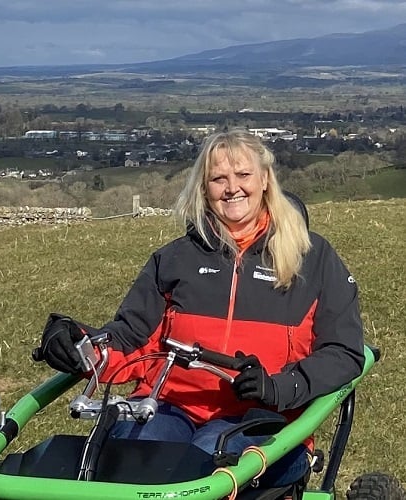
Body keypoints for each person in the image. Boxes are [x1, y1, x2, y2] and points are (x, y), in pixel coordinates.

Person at [39, 128, 365, 488]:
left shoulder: (314, 258)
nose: (232, 188)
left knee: (201, 469)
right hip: (169, 405)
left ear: (266, 179)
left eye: (243, 175)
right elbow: (132, 337)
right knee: (128, 462)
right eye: (218, 179)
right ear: (204, 187)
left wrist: (279, 387)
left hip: (263, 416)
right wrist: (80, 344)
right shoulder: (175, 259)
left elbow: (343, 351)